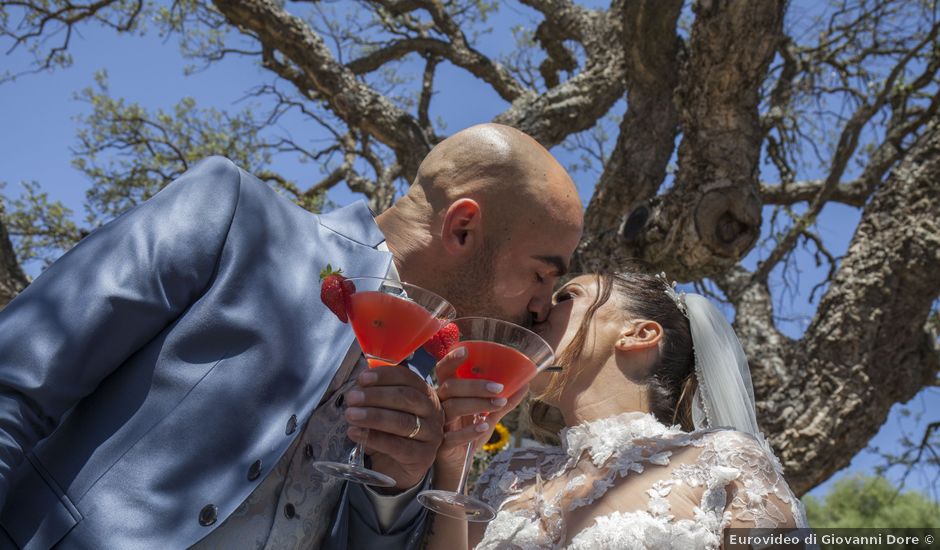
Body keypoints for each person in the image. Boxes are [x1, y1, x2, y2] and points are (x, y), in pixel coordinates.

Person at [0, 123, 583, 549]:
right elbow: (16, 379)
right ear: (462, 228)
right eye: (541, 273)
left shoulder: (436, 387)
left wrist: (396, 489)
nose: (539, 306)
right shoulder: (233, 214)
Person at [427, 271, 810, 549]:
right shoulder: (507, 473)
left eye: (567, 297)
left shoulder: (722, 458)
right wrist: (453, 463)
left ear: (639, 333)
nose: (539, 307)